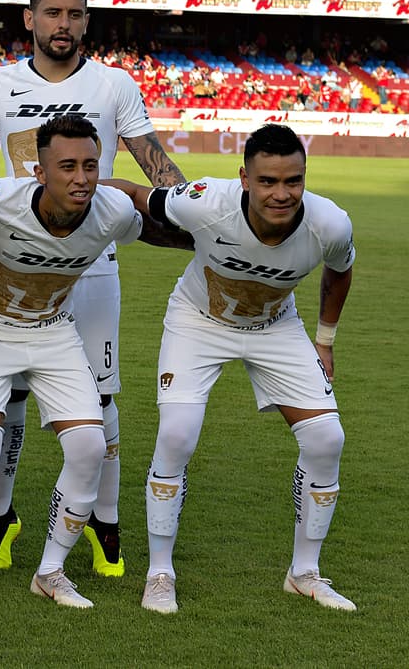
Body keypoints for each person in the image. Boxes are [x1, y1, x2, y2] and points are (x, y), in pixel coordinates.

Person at [0, 0, 185, 580]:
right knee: (7, 399)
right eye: (52, 13)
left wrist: (199, 215)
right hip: (15, 261)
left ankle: (105, 521)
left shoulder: (113, 84)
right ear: (30, 19)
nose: (63, 24)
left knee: (101, 402)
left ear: (86, 21)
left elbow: (155, 166)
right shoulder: (0, 84)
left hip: (92, 266)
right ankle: (0, 514)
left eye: (74, 14)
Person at [105, 124, 356, 615]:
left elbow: (341, 269)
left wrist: (324, 341)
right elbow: (136, 194)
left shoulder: (330, 223)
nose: (281, 194)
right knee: (176, 434)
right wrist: (78, 189)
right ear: (244, 178)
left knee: (327, 440)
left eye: (293, 181)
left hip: (276, 325)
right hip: (198, 320)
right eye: (268, 181)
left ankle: (304, 573)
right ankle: (160, 573)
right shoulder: (205, 201)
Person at [0, 116, 148, 610]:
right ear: (39, 172)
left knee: (89, 447)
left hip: (55, 332)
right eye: (67, 167)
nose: (81, 178)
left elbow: (152, 225)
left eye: (90, 166)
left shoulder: (113, 210)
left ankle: (51, 570)